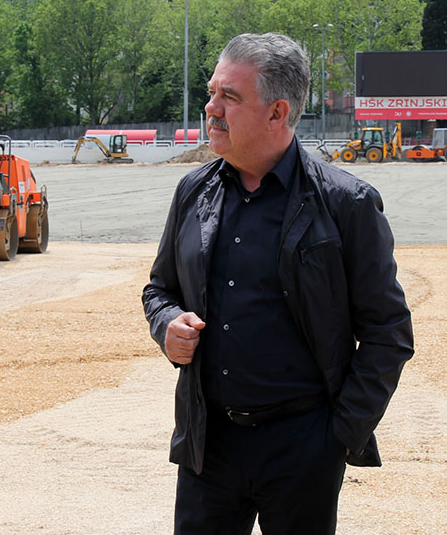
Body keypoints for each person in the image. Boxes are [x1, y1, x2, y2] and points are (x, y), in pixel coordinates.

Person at [142, 32, 414, 534]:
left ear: (277, 112)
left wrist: (340, 435)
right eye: (212, 92)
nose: (211, 108)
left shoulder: (346, 203)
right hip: (208, 443)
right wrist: (167, 324)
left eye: (230, 96)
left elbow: (388, 332)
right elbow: (159, 289)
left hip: (304, 448)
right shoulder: (193, 191)